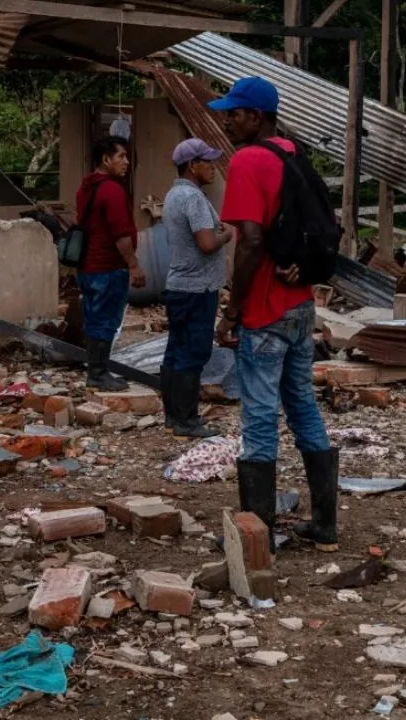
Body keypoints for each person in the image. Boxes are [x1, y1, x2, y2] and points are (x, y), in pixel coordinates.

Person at [209, 76, 339, 553]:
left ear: (256, 116)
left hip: (265, 309)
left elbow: (250, 241)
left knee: (260, 416)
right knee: (302, 405)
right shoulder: (293, 154)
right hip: (300, 304)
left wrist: (233, 310)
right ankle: (325, 526)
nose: (227, 121)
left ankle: (256, 536)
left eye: (234, 113)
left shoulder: (249, 160)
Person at [160, 137, 232, 439]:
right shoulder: (193, 198)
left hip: (179, 286)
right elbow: (206, 243)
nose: (213, 167)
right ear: (193, 165)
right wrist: (226, 235)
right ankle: (187, 421)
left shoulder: (173, 195)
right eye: (208, 162)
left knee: (175, 350)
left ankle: (172, 417)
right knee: (194, 353)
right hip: (197, 288)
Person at [76, 136, 145, 390]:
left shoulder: (86, 188)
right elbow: (121, 235)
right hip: (107, 267)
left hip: (87, 266)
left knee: (94, 319)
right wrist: (133, 265)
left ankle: (96, 371)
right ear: (106, 160)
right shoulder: (112, 190)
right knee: (106, 321)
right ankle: (98, 374)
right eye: (121, 157)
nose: (126, 162)